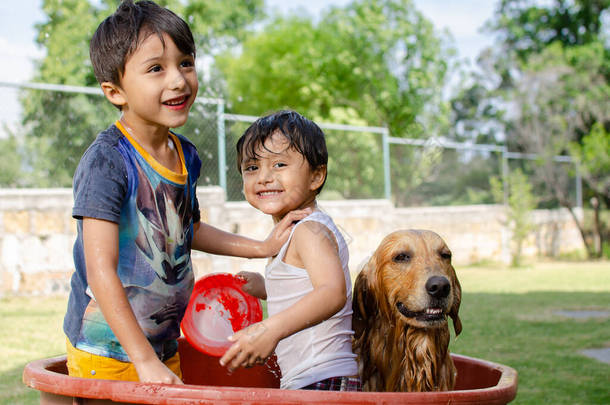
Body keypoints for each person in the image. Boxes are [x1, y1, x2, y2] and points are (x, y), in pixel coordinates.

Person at [63, 1, 309, 385]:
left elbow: (186, 229)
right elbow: (100, 271)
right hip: (108, 351)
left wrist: (261, 247)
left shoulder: (185, 154)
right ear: (114, 91)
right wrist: (142, 360)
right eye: (156, 68)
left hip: (163, 345)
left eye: (186, 63)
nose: (178, 80)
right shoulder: (107, 162)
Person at [219, 110, 361, 391]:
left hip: (322, 378)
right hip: (312, 378)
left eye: (279, 164)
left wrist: (270, 329)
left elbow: (332, 292)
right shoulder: (292, 232)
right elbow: (306, 288)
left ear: (316, 176)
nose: (264, 177)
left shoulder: (309, 230)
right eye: (251, 167)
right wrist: (265, 287)